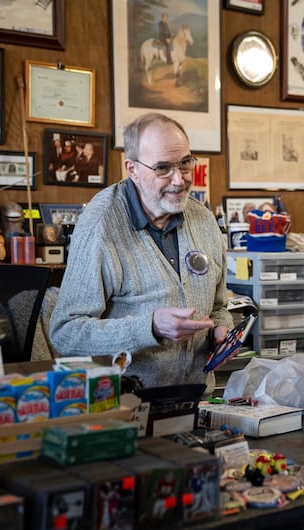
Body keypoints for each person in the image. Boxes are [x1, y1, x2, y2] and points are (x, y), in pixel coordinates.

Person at [49, 112, 233, 390]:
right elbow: (66, 333)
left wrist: (221, 331)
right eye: (162, 168)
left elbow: (218, 307)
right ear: (132, 169)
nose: (178, 180)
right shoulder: (101, 226)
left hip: (196, 401)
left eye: (185, 164)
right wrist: (150, 328)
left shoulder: (204, 221)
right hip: (125, 405)